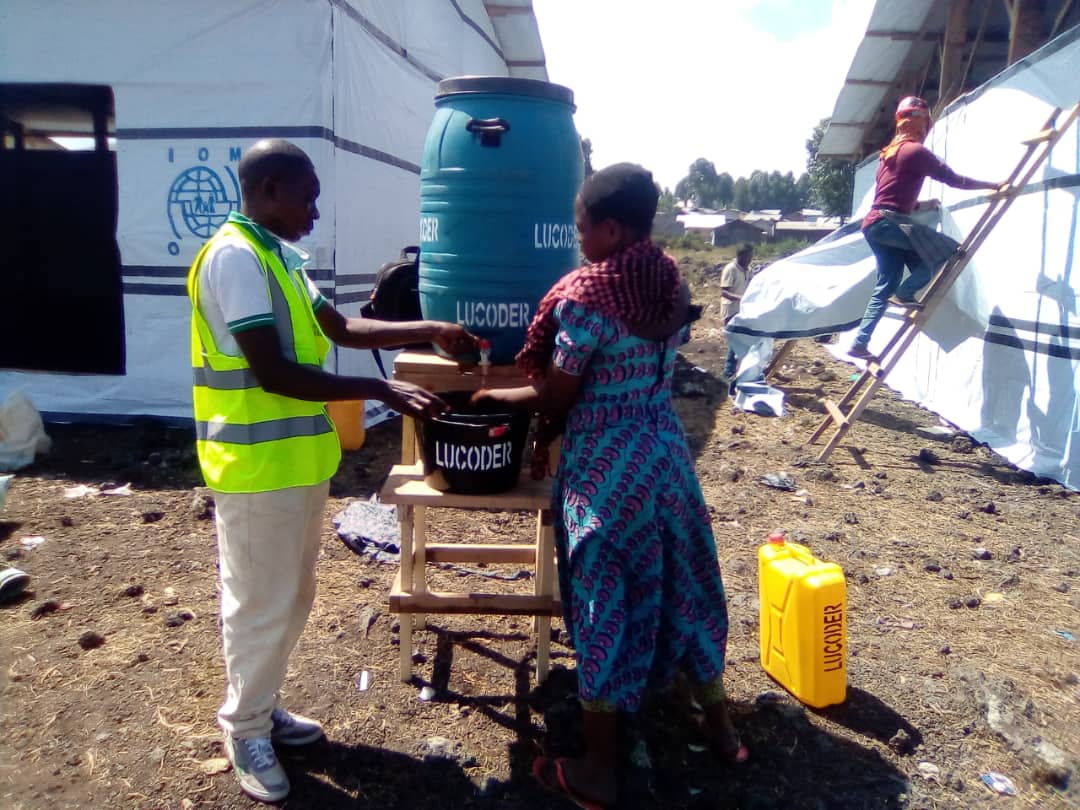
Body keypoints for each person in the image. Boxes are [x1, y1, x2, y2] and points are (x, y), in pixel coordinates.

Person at [187, 139, 476, 803]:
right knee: (259, 604)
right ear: (269, 192)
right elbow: (275, 373)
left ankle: (263, 705)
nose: (316, 212)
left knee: (290, 599)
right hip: (254, 466)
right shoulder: (236, 259)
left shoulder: (279, 258)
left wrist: (432, 329)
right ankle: (244, 728)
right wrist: (380, 392)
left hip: (292, 463)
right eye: (307, 197)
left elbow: (342, 328)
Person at [474, 163, 745, 809]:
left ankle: (598, 768)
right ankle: (722, 730)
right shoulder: (668, 284)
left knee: (605, 600)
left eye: (581, 228)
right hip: (668, 460)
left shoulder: (588, 301)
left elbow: (557, 390)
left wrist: (496, 396)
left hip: (608, 467)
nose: (578, 241)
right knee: (689, 584)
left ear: (612, 228)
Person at [850, 96, 1005, 360]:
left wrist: (921, 205)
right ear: (921, 123)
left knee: (885, 284)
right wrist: (993, 185)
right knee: (946, 249)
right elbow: (955, 180)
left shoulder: (888, 154)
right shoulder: (916, 152)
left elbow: (891, 197)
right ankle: (907, 291)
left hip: (875, 224)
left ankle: (860, 342)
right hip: (889, 223)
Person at [720, 242, 754, 379]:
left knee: (742, 341)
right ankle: (728, 373)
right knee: (735, 341)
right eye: (747, 257)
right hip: (731, 310)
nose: (749, 260)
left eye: (751, 257)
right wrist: (740, 298)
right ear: (740, 256)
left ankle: (737, 371)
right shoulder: (731, 269)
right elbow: (724, 291)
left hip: (742, 310)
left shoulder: (748, 270)